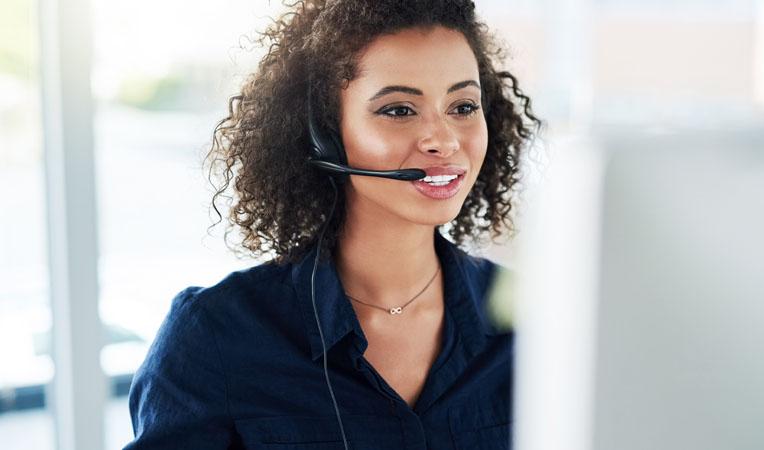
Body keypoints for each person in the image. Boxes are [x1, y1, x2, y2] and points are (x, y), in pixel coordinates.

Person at [124, 0, 540, 448]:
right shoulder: (214, 338)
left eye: (462, 106)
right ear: (325, 134)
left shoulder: (538, 324)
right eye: (399, 110)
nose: (443, 140)